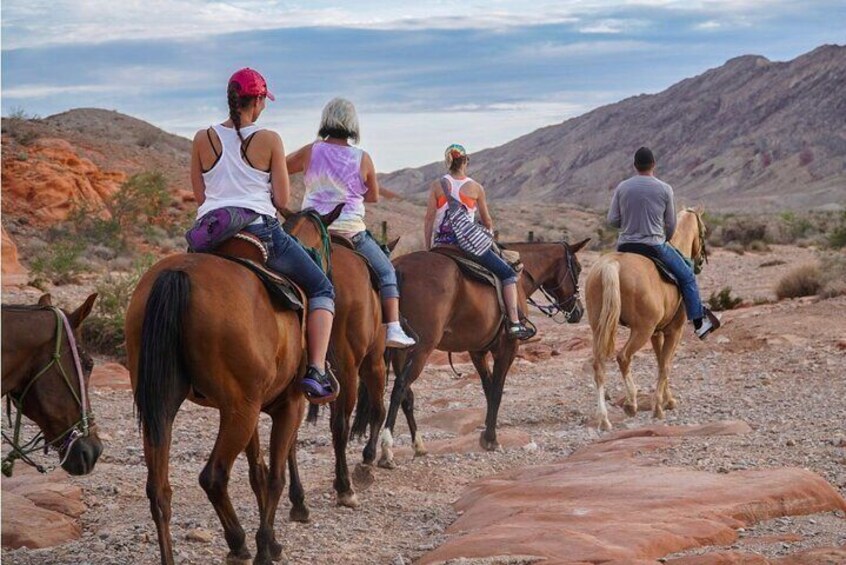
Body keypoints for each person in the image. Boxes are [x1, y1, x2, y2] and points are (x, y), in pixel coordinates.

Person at [190, 67, 337, 403]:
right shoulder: (270, 139)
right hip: (260, 232)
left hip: (209, 236)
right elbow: (282, 200)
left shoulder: (202, 138)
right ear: (256, 100)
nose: (264, 107)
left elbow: (200, 197)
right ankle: (316, 370)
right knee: (321, 287)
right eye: (264, 101)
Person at [287, 98, 416, 348]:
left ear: (325, 120)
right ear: (352, 124)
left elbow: (280, 167)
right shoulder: (362, 158)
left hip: (312, 232)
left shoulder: (310, 151)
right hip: (350, 232)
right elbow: (374, 196)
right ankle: (393, 328)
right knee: (387, 272)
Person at [608, 146, 720, 339]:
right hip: (653, 245)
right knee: (687, 275)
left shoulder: (622, 187)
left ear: (635, 166)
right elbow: (671, 225)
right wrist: (664, 238)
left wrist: (628, 223)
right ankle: (699, 323)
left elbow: (612, 220)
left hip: (625, 246)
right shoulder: (665, 189)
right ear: (654, 165)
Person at [424, 144, 533, 340]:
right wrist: (487, 236)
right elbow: (487, 220)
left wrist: (429, 247)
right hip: (467, 244)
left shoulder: (437, 186)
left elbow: (429, 219)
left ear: (447, 162)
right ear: (466, 161)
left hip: (441, 243)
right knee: (507, 274)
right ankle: (515, 323)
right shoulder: (476, 188)